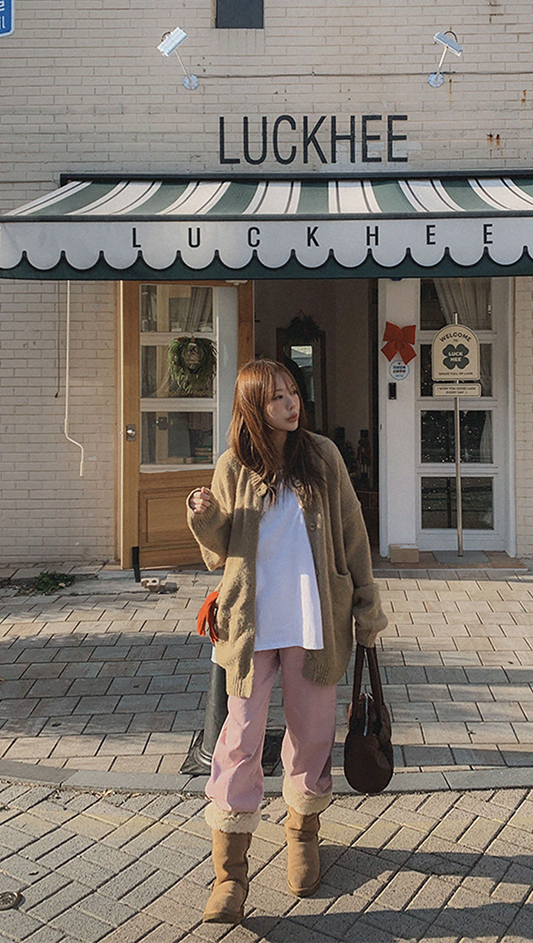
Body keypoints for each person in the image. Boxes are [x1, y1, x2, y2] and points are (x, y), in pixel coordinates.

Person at [186, 358, 387, 924]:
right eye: (276, 397)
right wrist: (203, 516)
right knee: (239, 740)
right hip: (251, 625)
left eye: (293, 392)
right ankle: (230, 874)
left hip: (313, 623)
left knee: (312, 734)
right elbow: (217, 553)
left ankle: (302, 835)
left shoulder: (322, 456)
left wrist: (367, 604)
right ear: (253, 406)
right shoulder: (233, 465)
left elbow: (352, 532)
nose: (290, 403)